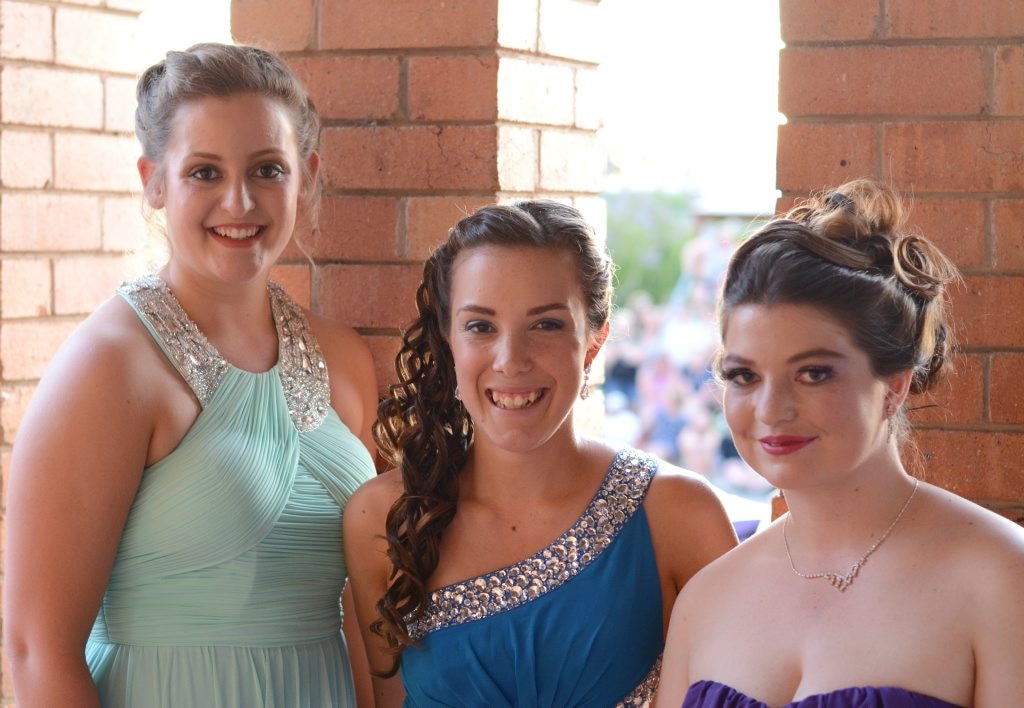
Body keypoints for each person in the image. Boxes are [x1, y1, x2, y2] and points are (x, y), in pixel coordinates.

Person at [3, 43, 379, 707]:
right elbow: (37, 651)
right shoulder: (109, 367)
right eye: (204, 172)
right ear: (154, 181)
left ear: (308, 177)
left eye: (267, 169)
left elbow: (359, 612)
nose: (239, 201)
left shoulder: (344, 359)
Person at [344, 200, 739, 706]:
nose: (511, 360)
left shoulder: (678, 513)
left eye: (546, 325)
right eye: (480, 327)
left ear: (594, 343)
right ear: (448, 341)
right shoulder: (383, 519)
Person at [657, 179, 1024, 708]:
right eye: (744, 376)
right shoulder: (706, 599)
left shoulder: (998, 579)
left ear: (893, 385)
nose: (769, 409)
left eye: (812, 374)